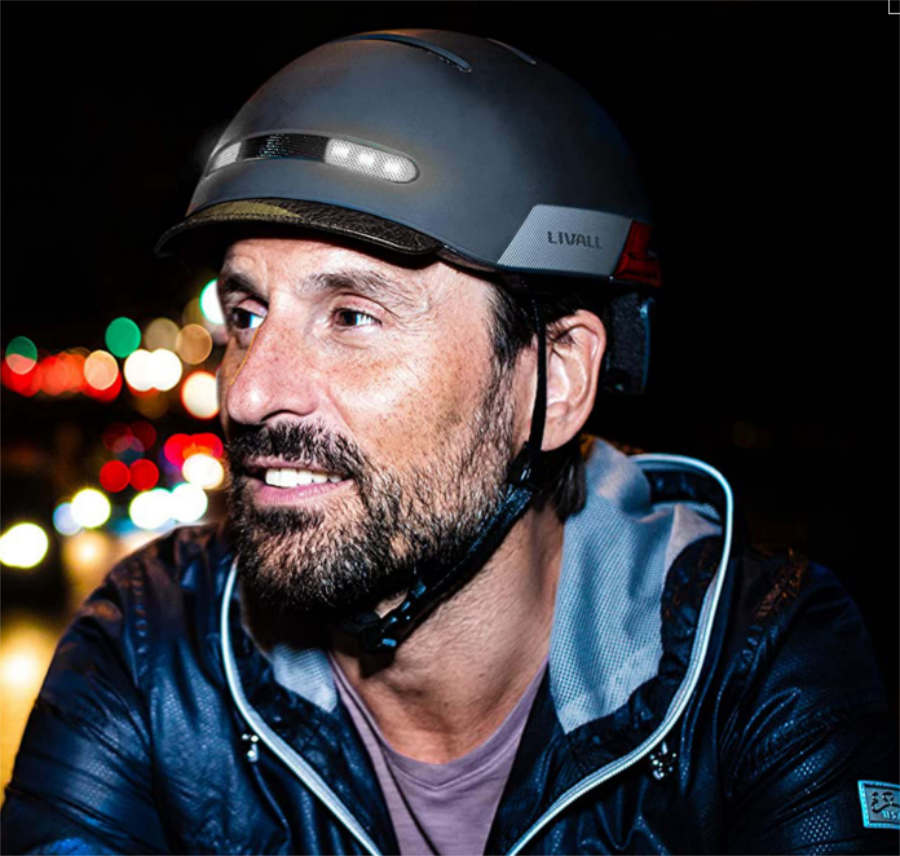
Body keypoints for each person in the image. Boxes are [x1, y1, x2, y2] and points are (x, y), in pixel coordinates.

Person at [2, 29, 896, 855]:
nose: (249, 391)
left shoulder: (757, 664)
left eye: (352, 316)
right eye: (245, 314)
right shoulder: (152, 647)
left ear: (555, 379)